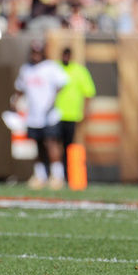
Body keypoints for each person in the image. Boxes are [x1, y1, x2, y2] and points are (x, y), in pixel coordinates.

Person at [12, 41, 68, 190]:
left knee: (51, 143)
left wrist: (52, 100)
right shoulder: (26, 69)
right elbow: (20, 87)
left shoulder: (50, 67)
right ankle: (40, 175)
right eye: (33, 52)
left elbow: (62, 83)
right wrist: (15, 100)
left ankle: (57, 176)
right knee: (37, 146)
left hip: (49, 115)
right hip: (34, 114)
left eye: (38, 52)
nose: (35, 56)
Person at [54, 47, 96, 186]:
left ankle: (69, 176)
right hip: (54, 115)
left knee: (69, 146)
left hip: (72, 115)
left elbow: (88, 92)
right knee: (54, 146)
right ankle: (56, 175)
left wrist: (85, 111)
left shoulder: (79, 71)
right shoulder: (55, 69)